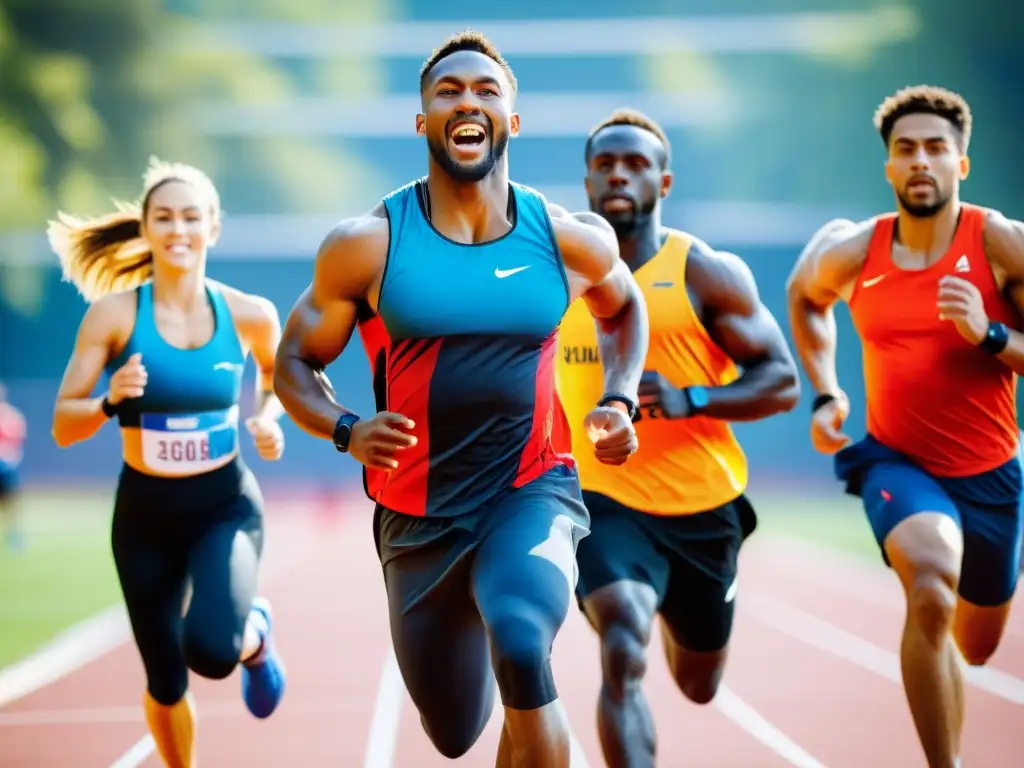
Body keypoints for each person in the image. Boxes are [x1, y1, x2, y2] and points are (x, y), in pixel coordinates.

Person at [274, 30, 649, 768]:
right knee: (452, 733)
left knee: (519, 637)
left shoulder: (569, 239)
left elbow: (624, 307)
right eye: (448, 91)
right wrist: (344, 428)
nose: (467, 101)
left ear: (514, 118)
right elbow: (293, 361)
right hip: (417, 515)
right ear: (422, 121)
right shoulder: (369, 245)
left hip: (531, 488)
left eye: (486, 90)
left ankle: (525, 672)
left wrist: (620, 397)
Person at [786, 85, 1024, 768]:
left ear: (961, 164)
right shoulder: (856, 250)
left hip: (990, 475)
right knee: (928, 583)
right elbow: (805, 295)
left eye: (936, 148)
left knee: (977, 643)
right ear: (889, 167)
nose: (921, 160)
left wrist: (990, 334)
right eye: (905, 150)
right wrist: (827, 389)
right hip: (896, 462)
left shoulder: (1001, 244)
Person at [555, 109, 800, 766]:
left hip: (702, 507)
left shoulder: (705, 272)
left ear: (664, 182)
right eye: (605, 163)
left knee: (698, 683)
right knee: (623, 645)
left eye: (636, 164)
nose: (619, 175)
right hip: (603, 500)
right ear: (586, 180)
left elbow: (781, 381)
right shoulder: (560, 274)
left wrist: (692, 398)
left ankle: (679, 611)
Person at [48, 157, 288, 768]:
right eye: (164, 218)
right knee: (165, 677)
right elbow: (63, 425)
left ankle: (252, 637)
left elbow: (281, 379)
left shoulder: (249, 314)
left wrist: (265, 417)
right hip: (145, 519)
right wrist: (109, 399)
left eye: (190, 217)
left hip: (223, 508)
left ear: (212, 227)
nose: (177, 230)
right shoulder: (114, 316)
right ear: (147, 229)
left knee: (211, 650)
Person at [0, 382, 27, 553]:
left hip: (6, 468)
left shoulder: (11, 416)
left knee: (11, 505)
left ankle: (15, 537)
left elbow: (17, 442)